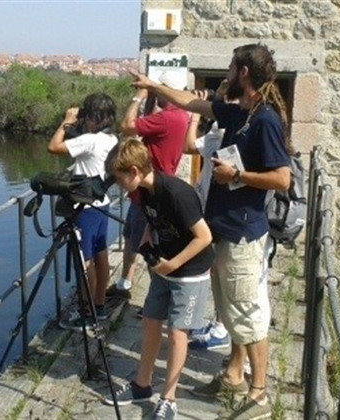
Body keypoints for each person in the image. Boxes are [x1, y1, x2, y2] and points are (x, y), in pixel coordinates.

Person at [130, 44, 292, 420]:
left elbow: (283, 178)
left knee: (247, 313)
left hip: (242, 235)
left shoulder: (265, 119)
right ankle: (234, 375)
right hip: (224, 231)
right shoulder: (239, 113)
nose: (227, 74)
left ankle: (259, 394)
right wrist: (154, 86)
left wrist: (236, 175)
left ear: (245, 73)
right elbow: (189, 103)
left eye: (232, 68)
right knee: (230, 310)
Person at [102, 139, 214, 420]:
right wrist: (147, 241)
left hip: (189, 271)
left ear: (135, 171)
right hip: (163, 267)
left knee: (178, 334)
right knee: (151, 323)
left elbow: (205, 237)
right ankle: (142, 384)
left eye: (119, 178)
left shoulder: (177, 193)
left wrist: (173, 264)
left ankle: (169, 399)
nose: (118, 184)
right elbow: (154, 222)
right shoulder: (145, 192)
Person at [113, 71, 190, 295]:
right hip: (153, 187)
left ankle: (155, 297)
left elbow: (127, 126)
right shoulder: (180, 114)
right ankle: (125, 282)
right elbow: (144, 125)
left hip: (148, 190)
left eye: (158, 87)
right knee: (132, 236)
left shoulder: (166, 118)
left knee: (147, 245)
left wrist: (140, 95)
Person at [47, 93, 118, 330]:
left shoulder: (90, 140)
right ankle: (99, 308)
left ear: (92, 117)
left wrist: (66, 122)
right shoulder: (111, 139)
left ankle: (87, 315)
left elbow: (53, 147)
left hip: (85, 209)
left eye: (86, 116)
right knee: (101, 257)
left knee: (84, 262)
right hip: (102, 203)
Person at [183, 88, 230, 351]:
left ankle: (222, 328)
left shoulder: (219, 134)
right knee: (218, 273)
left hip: (218, 214)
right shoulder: (221, 133)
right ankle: (220, 324)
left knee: (221, 275)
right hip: (216, 212)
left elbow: (188, 145)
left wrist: (194, 115)